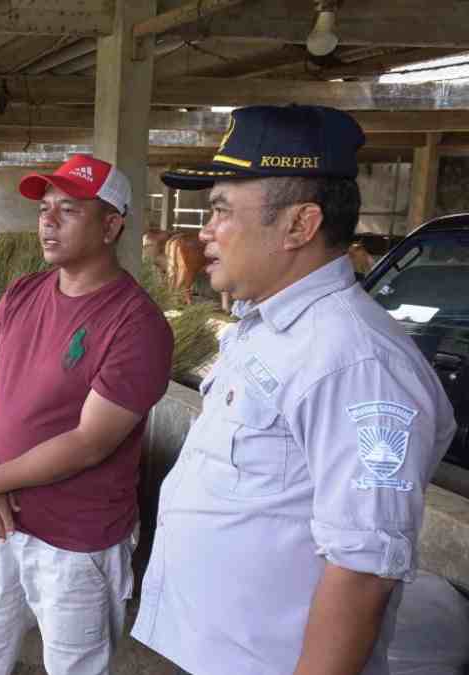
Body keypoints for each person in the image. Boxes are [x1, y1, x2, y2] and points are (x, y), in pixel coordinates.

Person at [131, 105, 457, 675]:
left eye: (221, 211)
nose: (203, 232)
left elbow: (362, 571)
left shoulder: (355, 362)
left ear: (299, 226)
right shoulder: (268, 331)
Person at [0, 154, 175, 675]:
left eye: (68, 210)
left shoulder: (136, 324)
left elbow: (91, 440)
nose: (47, 221)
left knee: (74, 667)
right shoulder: (22, 292)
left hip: (77, 541)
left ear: (111, 225)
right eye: (45, 208)